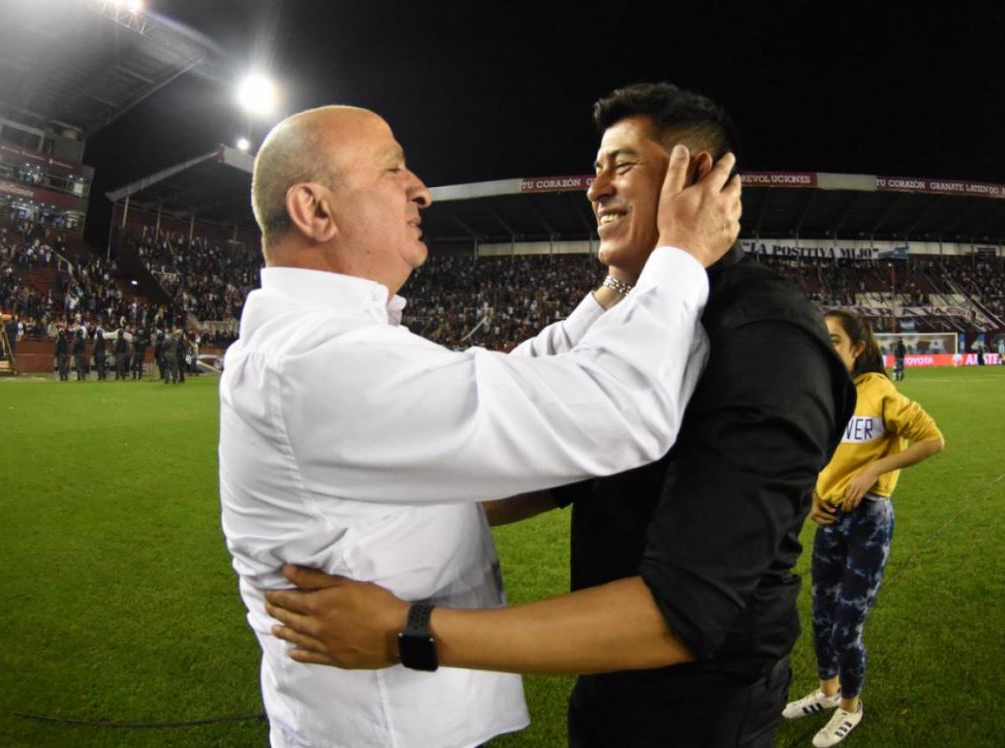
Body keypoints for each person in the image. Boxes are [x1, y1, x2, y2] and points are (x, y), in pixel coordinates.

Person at [262, 85, 854, 748]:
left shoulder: (768, 338)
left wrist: (409, 631)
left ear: (697, 176)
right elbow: (553, 460)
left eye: (621, 164)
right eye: (597, 167)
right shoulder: (643, 321)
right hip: (609, 688)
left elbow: (680, 612)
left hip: (703, 712)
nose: (594, 187)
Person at [781, 309, 944, 747]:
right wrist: (814, 493)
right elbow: (821, 454)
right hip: (830, 520)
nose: (827, 347)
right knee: (820, 617)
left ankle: (851, 707)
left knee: (845, 627)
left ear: (857, 348)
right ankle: (829, 693)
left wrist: (876, 470)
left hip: (868, 522)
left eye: (835, 340)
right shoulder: (826, 393)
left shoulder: (879, 392)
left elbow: (933, 439)